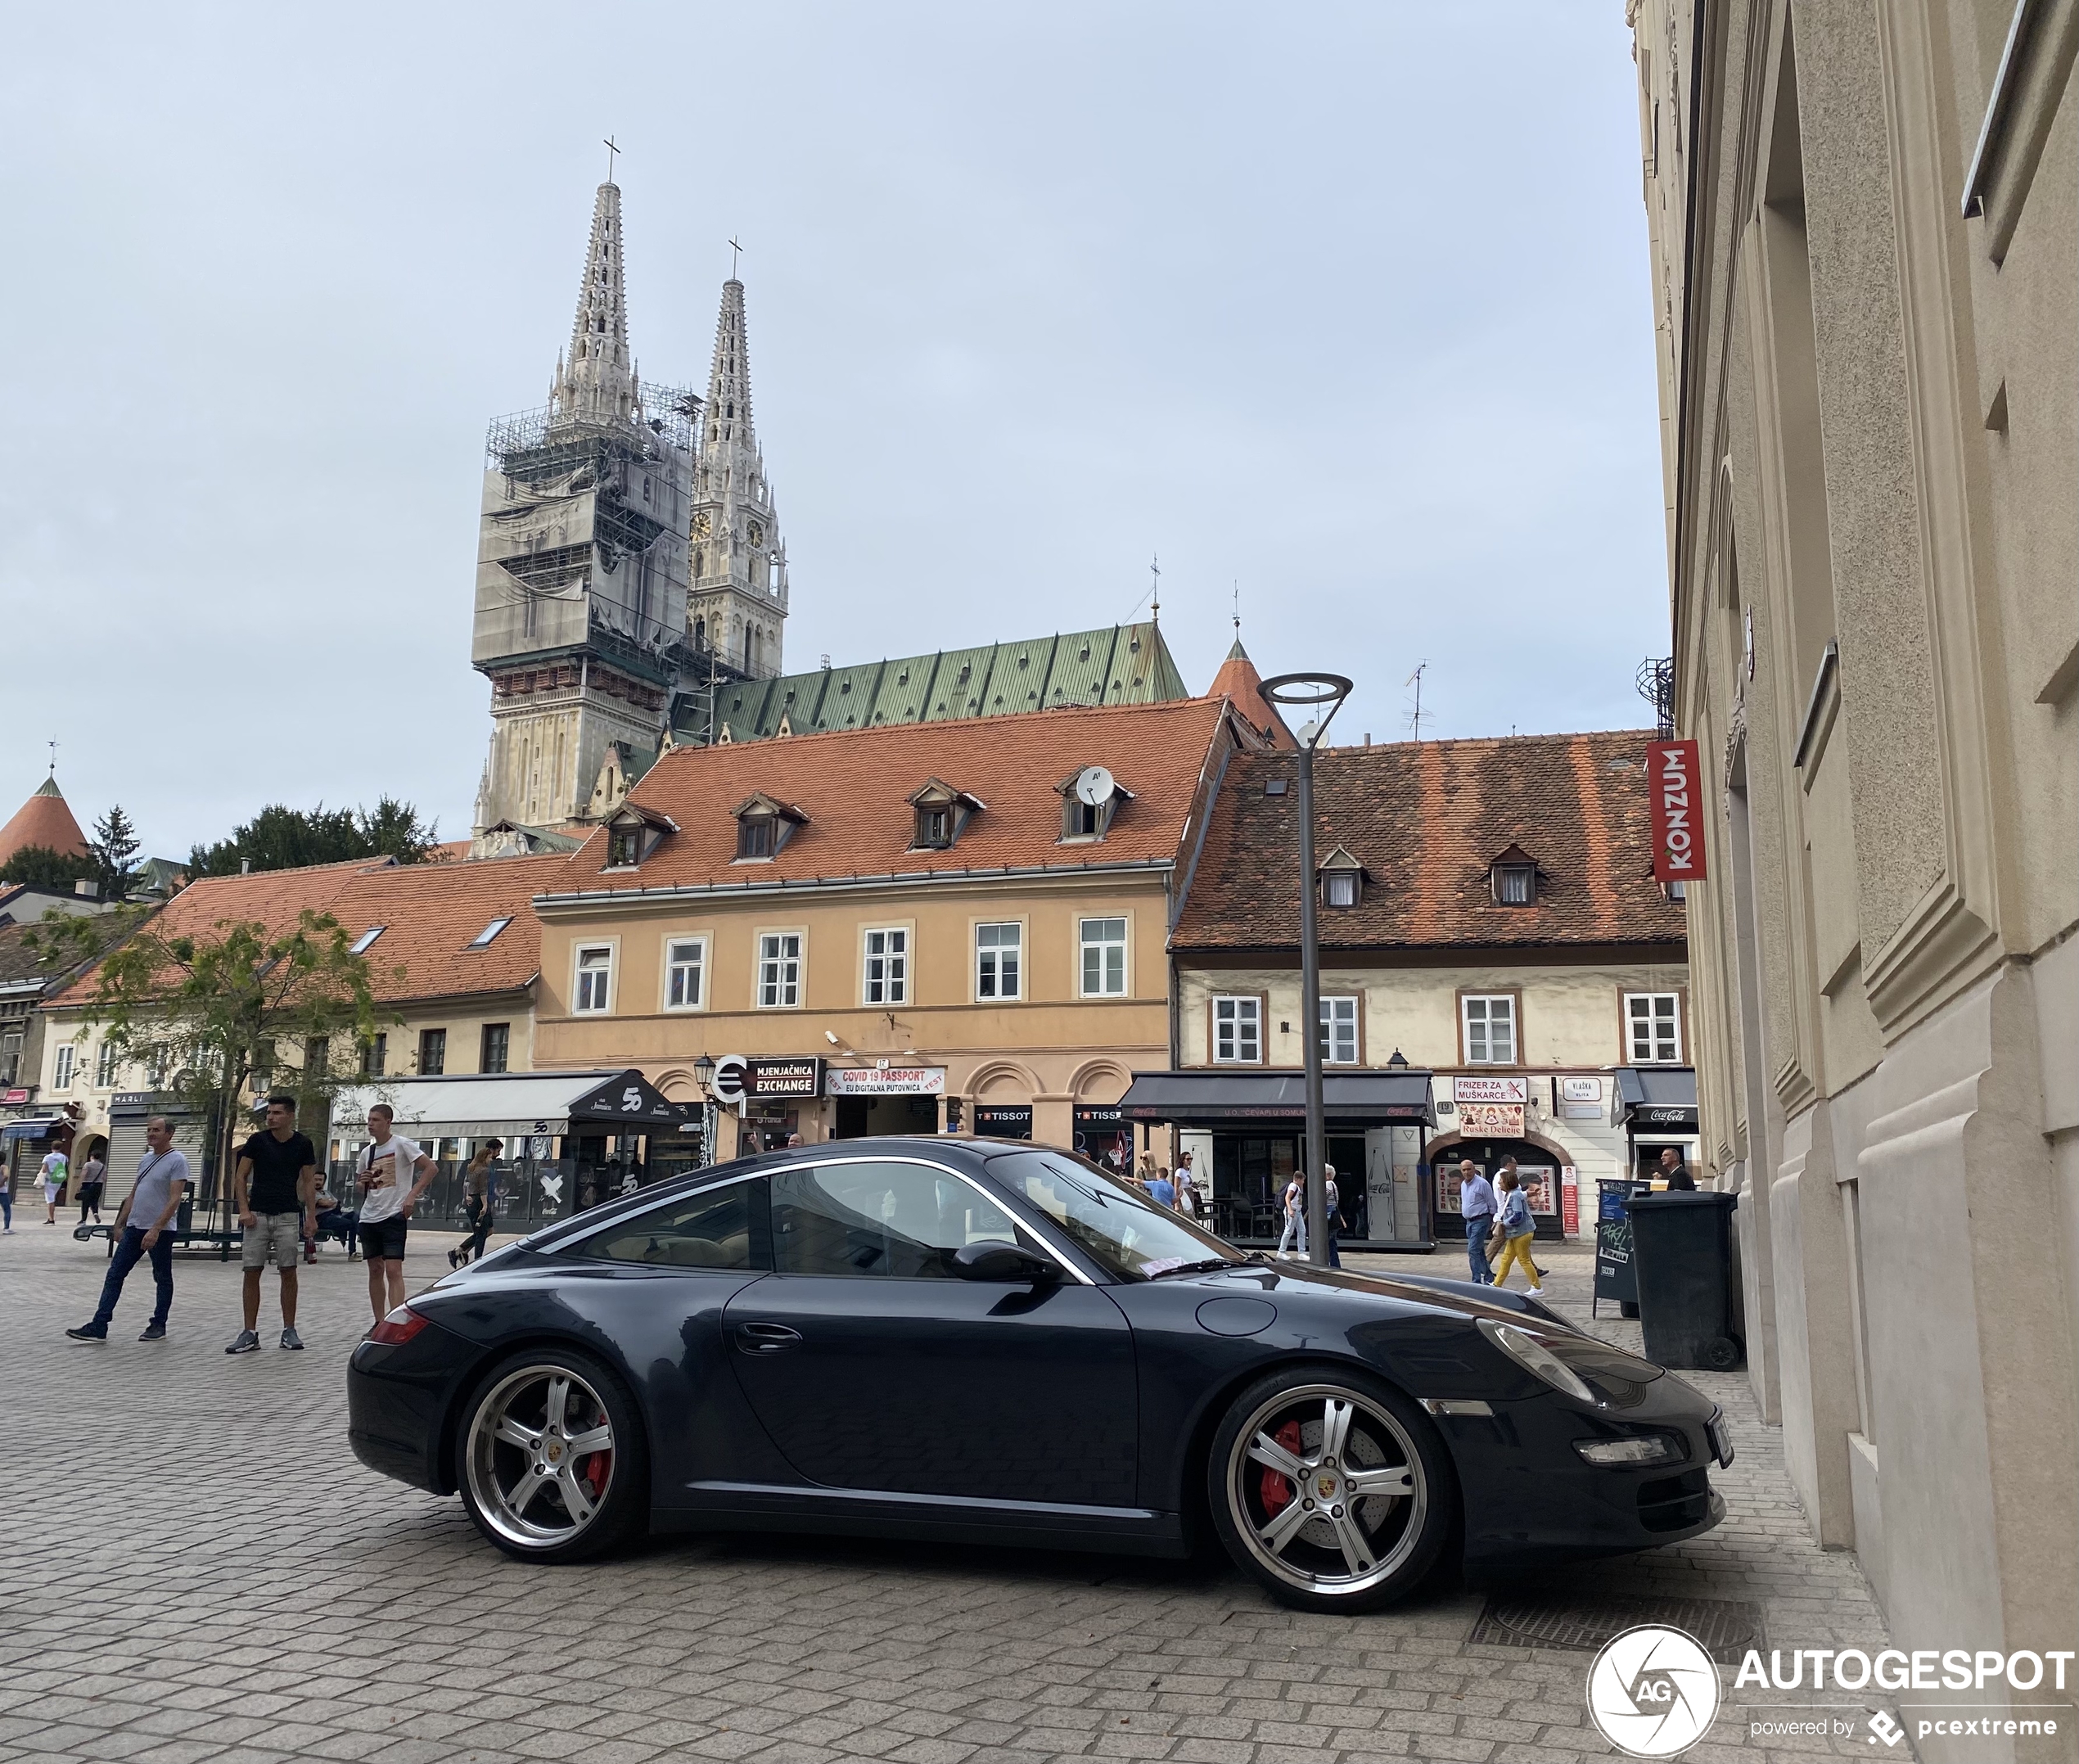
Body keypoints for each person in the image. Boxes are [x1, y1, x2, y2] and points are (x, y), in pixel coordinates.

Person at [66, 1118, 188, 1342]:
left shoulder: (177, 1160)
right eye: (149, 1130)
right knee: (115, 1275)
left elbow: (174, 1199)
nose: (151, 1134)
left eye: (156, 1130)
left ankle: (158, 1324)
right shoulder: (145, 1159)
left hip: (160, 1230)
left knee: (162, 1277)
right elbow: (133, 1194)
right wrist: (119, 1223)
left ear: (170, 1133)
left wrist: (156, 1229)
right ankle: (99, 1325)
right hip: (134, 1227)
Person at [228, 1095, 318, 1353]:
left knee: (289, 1270)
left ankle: (289, 1330)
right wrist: (244, 1210)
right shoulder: (257, 1141)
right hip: (258, 1214)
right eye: (269, 1113)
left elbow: (309, 1181)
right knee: (251, 1270)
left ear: (290, 1116)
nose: (271, 1117)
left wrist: (310, 1215)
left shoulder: (302, 1143)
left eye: (277, 1113)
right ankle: (249, 1332)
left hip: (288, 1214)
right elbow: (241, 1175)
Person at [355, 1103, 435, 1324]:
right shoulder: (367, 1152)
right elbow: (361, 1187)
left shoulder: (401, 1144)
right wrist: (361, 1183)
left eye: (376, 1120)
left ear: (388, 1122)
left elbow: (430, 1168)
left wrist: (412, 1195)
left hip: (393, 1214)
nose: (370, 1124)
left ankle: (396, 1320)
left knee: (393, 1269)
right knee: (375, 1270)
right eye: (369, 1120)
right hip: (369, 1215)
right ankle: (379, 1322)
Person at [1489, 1168, 1543, 1295]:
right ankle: (1497, 1284)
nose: (1499, 1184)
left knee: (1524, 1260)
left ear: (1507, 1182)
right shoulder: (1512, 1194)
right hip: (1515, 1233)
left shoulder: (1515, 1196)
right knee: (1506, 1259)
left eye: (1501, 1181)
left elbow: (1518, 1215)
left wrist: (1504, 1223)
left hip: (1522, 1233)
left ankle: (1537, 1287)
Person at [451, 1139, 503, 1269]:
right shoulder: (483, 1168)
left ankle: (461, 1250)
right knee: (481, 1233)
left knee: (487, 1231)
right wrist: (485, 1205)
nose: (498, 1154)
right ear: (490, 1151)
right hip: (481, 1201)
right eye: (497, 1151)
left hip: (477, 1200)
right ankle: (476, 1260)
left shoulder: (473, 1166)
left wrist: (466, 1195)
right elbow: (483, 1188)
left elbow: (466, 1183)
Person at [1458, 1158, 1498, 1284]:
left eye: (1469, 1169)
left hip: (1481, 1219)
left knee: (1473, 1250)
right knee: (1479, 1251)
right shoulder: (1463, 1184)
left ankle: (1476, 1281)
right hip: (1469, 1221)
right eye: (1464, 1170)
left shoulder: (1482, 1183)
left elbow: (1491, 1202)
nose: (1466, 1172)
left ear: (1474, 1169)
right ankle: (1489, 1276)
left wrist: (1493, 1219)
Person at [1277, 1174, 1306, 1259]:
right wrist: (1290, 1209)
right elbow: (1287, 1197)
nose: (1303, 1182)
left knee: (1302, 1231)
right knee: (1288, 1230)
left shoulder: (1297, 1187)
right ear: (1297, 1179)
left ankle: (1301, 1252)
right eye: (1302, 1180)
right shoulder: (1293, 1186)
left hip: (1297, 1211)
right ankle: (1281, 1251)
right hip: (1293, 1210)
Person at [76, 1148, 106, 1225]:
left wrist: (79, 1184)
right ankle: (95, 1213)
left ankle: (83, 1220)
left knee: (85, 1202)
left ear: (92, 1156)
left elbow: (83, 1174)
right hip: (99, 1185)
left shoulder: (88, 1164)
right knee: (95, 1201)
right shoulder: (103, 1166)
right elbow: (104, 1177)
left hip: (87, 1184)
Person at [1323, 1165, 1343, 1269]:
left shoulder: (1328, 1184)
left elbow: (1321, 1197)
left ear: (1328, 1175)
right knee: (1331, 1243)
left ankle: (1334, 1265)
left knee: (1329, 1243)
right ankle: (1335, 1264)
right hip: (1334, 1217)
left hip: (1329, 1218)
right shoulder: (1333, 1185)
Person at [40, 1145, 66, 1225]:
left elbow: (44, 1168)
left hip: (49, 1180)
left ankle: (51, 1219)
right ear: (60, 1148)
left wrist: (41, 1176)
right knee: (52, 1197)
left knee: (50, 1200)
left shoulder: (47, 1157)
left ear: (51, 1148)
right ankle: (50, 1218)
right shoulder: (63, 1157)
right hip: (58, 1178)